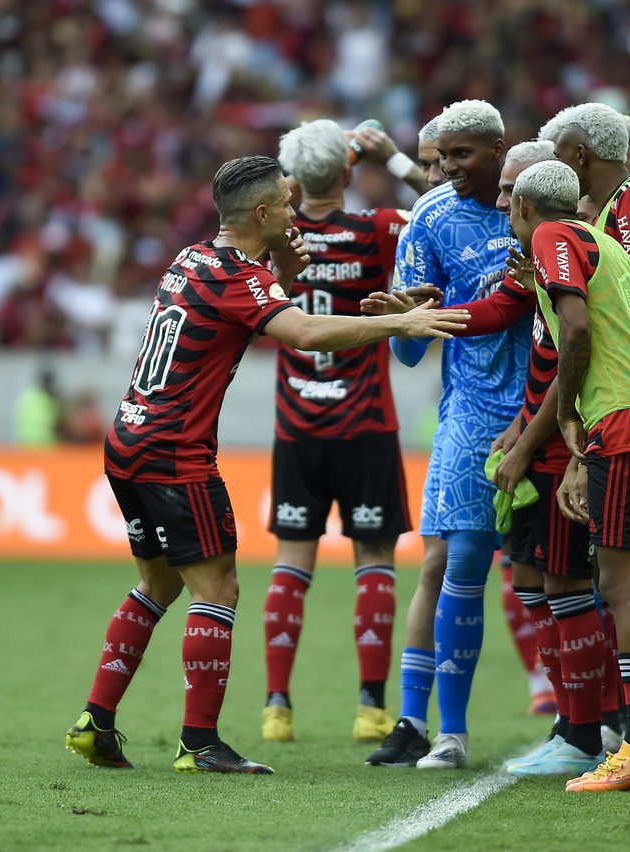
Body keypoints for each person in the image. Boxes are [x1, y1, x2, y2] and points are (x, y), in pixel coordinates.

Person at [64, 154, 469, 775]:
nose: (295, 209)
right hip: (175, 451)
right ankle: (200, 743)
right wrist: (401, 322)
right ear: (262, 214)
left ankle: (97, 720)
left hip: (130, 437)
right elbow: (302, 333)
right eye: (286, 202)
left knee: (159, 584)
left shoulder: (195, 257)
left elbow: (254, 294)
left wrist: (284, 265)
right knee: (218, 586)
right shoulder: (237, 276)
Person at [362, 100, 532, 770]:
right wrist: (407, 317)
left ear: (497, 149)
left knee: (575, 572)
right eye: (439, 157)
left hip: (555, 406)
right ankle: (444, 730)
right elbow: (407, 353)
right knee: (456, 562)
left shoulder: (539, 200)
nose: (447, 169)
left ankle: (602, 723)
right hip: (472, 417)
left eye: (460, 156)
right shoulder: (430, 218)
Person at [510, 159, 630, 792]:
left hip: (626, 421)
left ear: (527, 206)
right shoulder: (603, 242)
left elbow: (577, 328)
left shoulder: (553, 236)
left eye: (511, 203)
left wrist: (565, 416)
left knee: (622, 582)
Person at [258, 118, 427, 746]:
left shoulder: (275, 236)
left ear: (291, 181)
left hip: (297, 424)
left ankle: (277, 706)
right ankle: (370, 708)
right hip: (364, 423)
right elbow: (437, 214)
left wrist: (333, 158)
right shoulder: (378, 228)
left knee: (290, 563)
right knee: (374, 562)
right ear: (351, 174)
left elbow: (303, 185)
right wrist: (386, 157)